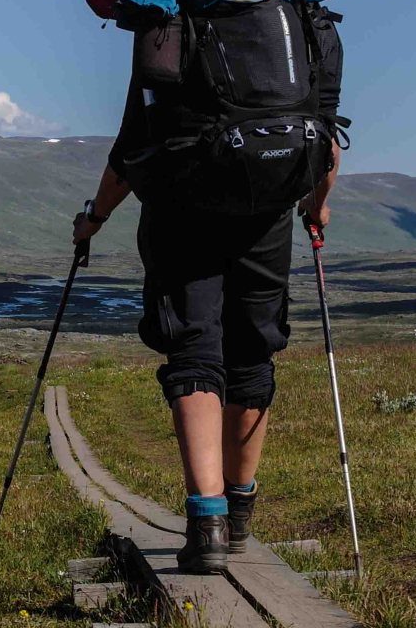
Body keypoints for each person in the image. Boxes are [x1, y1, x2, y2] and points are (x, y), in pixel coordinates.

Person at [70, 68, 341, 574]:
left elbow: (131, 149)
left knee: (194, 351)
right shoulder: (298, 23)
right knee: (252, 353)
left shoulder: (169, 26)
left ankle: (207, 527)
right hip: (267, 211)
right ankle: (239, 519)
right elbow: (326, 136)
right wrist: (317, 205)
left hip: (180, 211)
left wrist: (95, 217)